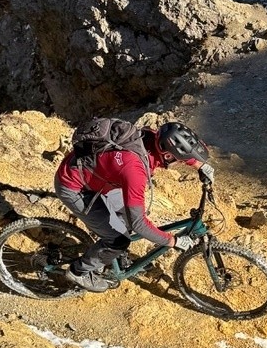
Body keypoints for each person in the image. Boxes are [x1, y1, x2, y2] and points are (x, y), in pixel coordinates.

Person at [54, 121, 214, 292]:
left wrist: (200, 165)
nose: (181, 163)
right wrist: (173, 241)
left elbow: (174, 148)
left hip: (96, 175)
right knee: (118, 240)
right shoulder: (135, 171)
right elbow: (139, 224)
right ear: (167, 156)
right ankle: (79, 271)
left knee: (128, 216)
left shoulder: (151, 137)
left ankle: (113, 259)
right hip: (74, 187)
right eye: (180, 161)